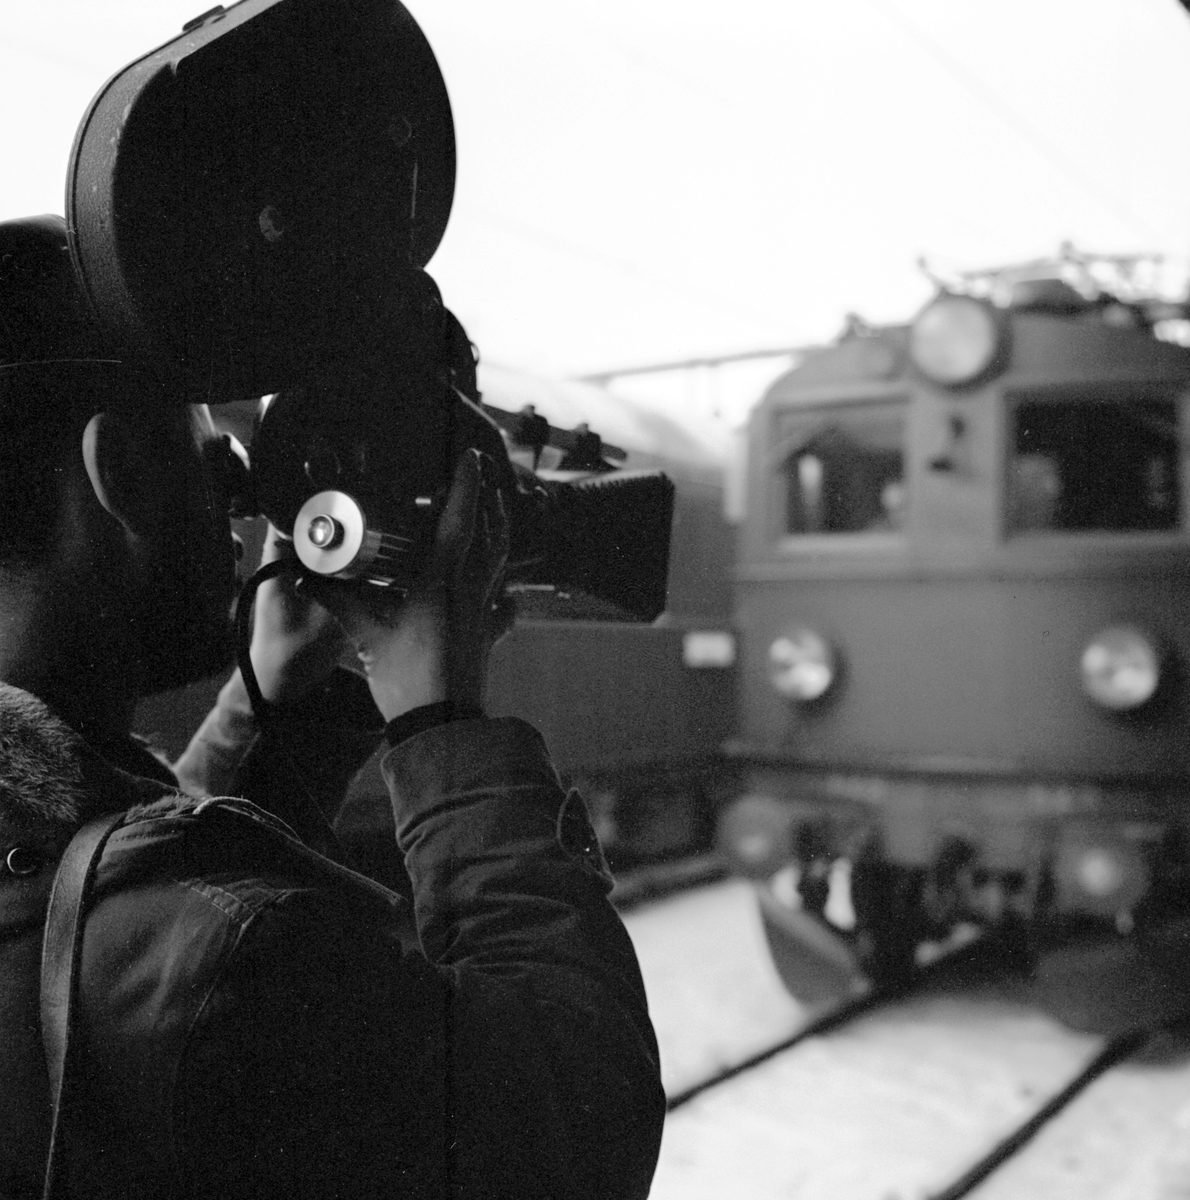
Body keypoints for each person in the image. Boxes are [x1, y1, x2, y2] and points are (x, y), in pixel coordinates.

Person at [0, 214, 665, 1200]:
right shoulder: (231, 966)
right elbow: (579, 1120)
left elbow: (104, 874)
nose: (238, 493)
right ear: (122, 478)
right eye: (205, 445)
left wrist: (273, 699)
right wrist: (444, 724)